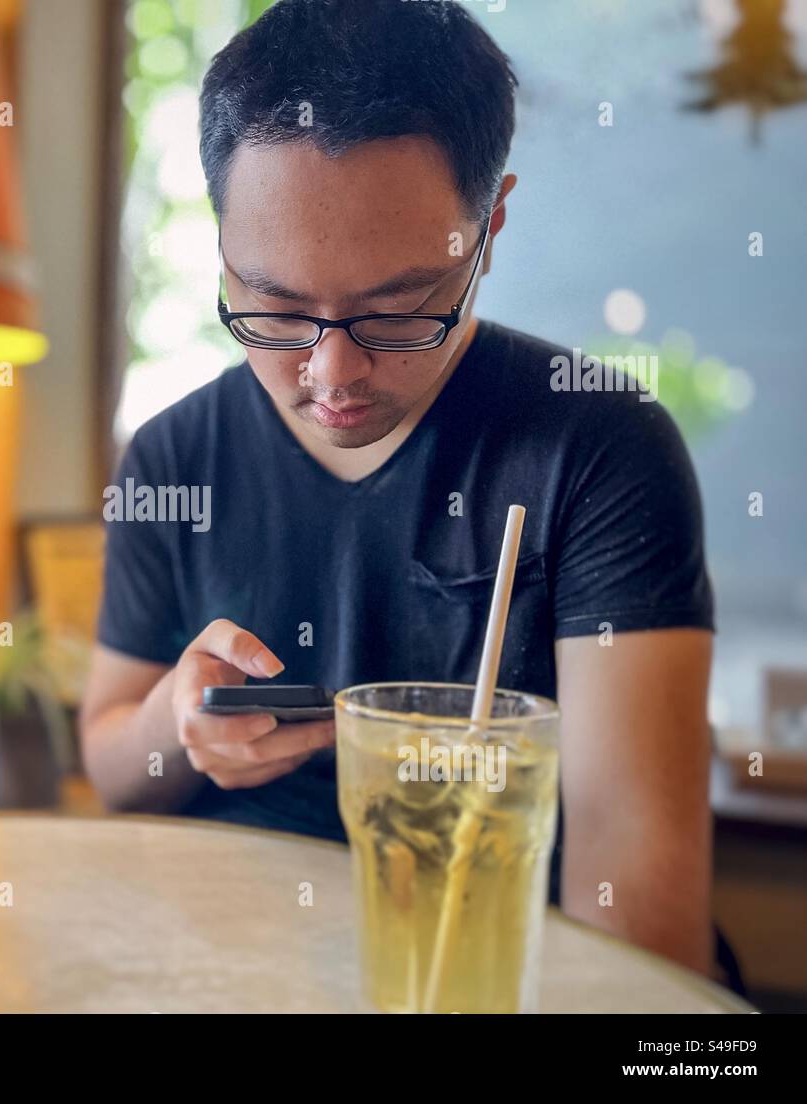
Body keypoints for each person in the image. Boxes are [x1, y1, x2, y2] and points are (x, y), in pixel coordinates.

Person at [80, 0, 716, 978]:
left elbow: (634, 910)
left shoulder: (594, 451)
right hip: (239, 968)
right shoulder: (173, 459)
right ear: (220, 249)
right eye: (276, 310)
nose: (331, 377)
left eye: (398, 312)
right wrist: (177, 719)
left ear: (489, 227)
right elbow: (114, 772)